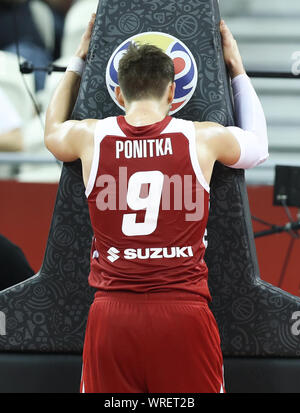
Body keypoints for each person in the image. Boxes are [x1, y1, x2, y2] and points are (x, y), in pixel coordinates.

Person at [44, 15, 269, 393]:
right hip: (182, 313)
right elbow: (258, 147)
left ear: (118, 93)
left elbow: (51, 131)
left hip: (112, 315)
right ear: (171, 93)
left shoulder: (90, 136)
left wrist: (80, 58)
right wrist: (236, 69)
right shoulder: (202, 138)